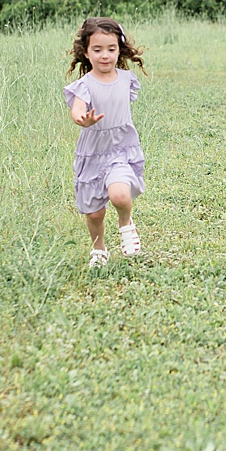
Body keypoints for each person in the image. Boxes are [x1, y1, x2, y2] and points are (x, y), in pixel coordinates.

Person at [65, 17, 147, 267]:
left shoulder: (125, 79)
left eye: (111, 49)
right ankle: (99, 249)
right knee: (94, 212)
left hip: (120, 148)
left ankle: (125, 224)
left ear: (119, 49)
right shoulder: (85, 85)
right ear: (86, 52)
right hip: (93, 152)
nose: (105, 56)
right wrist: (83, 119)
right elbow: (77, 110)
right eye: (97, 50)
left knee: (120, 195)